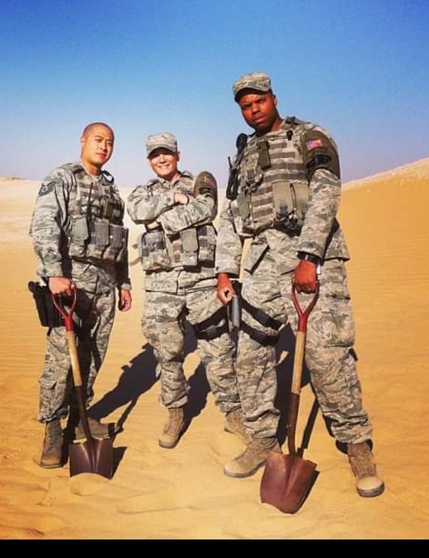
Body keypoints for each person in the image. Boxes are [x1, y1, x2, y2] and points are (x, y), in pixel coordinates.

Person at [215, 72, 384, 498]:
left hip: (310, 258)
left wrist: (309, 256)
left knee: (326, 356)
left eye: (259, 101)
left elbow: (326, 192)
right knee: (250, 355)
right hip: (261, 264)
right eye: (245, 105)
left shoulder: (308, 136)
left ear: (274, 98)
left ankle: (356, 443)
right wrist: (225, 270)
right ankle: (261, 439)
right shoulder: (243, 154)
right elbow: (232, 216)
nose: (253, 109)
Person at [126, 133, 247, 449]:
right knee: (168, 353)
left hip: (201, 281)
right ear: (149, 160)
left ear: (178, 155)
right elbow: (137, 212)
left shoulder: (200, 183)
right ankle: (176, 411)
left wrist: (159, 222)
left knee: (218, 349)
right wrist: (173, 199)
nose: (161, 159)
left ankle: (233, 412)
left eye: (166, 153)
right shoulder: (143, 192)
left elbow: (206, 209)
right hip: (160, 287)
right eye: (155, 155)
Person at [29, 122, 132, 469]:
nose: (104, 147)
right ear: (83, 141)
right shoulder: (63, 178)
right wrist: (54, 273)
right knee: (62, 359)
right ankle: (52, 429)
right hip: (71, 284)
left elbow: (119, 239)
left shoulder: (111, 190)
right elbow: (44, 225)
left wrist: (124, 282)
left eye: (110, 142)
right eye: (98, 140)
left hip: (104, 286)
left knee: (93, 356)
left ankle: (79, 417)